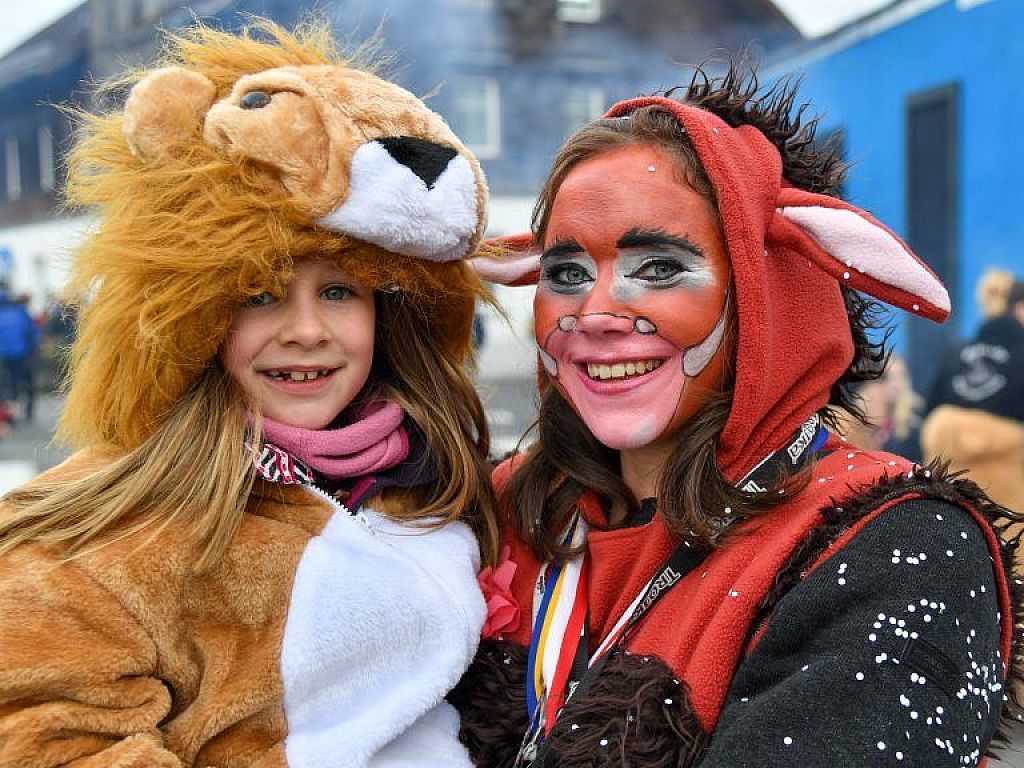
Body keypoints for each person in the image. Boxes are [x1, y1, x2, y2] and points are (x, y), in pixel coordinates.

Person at [454, 67, 1021, 767]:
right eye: (566, 274)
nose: (594, 314)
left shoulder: (898, 544)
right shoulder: (499, 510)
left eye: (658, 268)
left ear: (764, 292)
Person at [0, 19, 500, 766]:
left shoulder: (439, 478)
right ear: (197, 319)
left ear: (389, 311)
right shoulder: (106, 530)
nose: (306, 331)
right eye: (259, 294)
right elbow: (41, 737)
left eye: (339, 291)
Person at [922, 270, 1024, 514]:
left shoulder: (956, 353)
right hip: (1008, 492)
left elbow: (928, 408)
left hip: (948, 488)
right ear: (1020, 309)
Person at [0, 280, 39, 422]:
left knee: (8, 383)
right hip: (20, 352)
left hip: (3, 354)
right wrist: (33, 350)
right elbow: (32, 332)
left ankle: (9, 410)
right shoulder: (20, 311)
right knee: (23, 381)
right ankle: (25, 409)